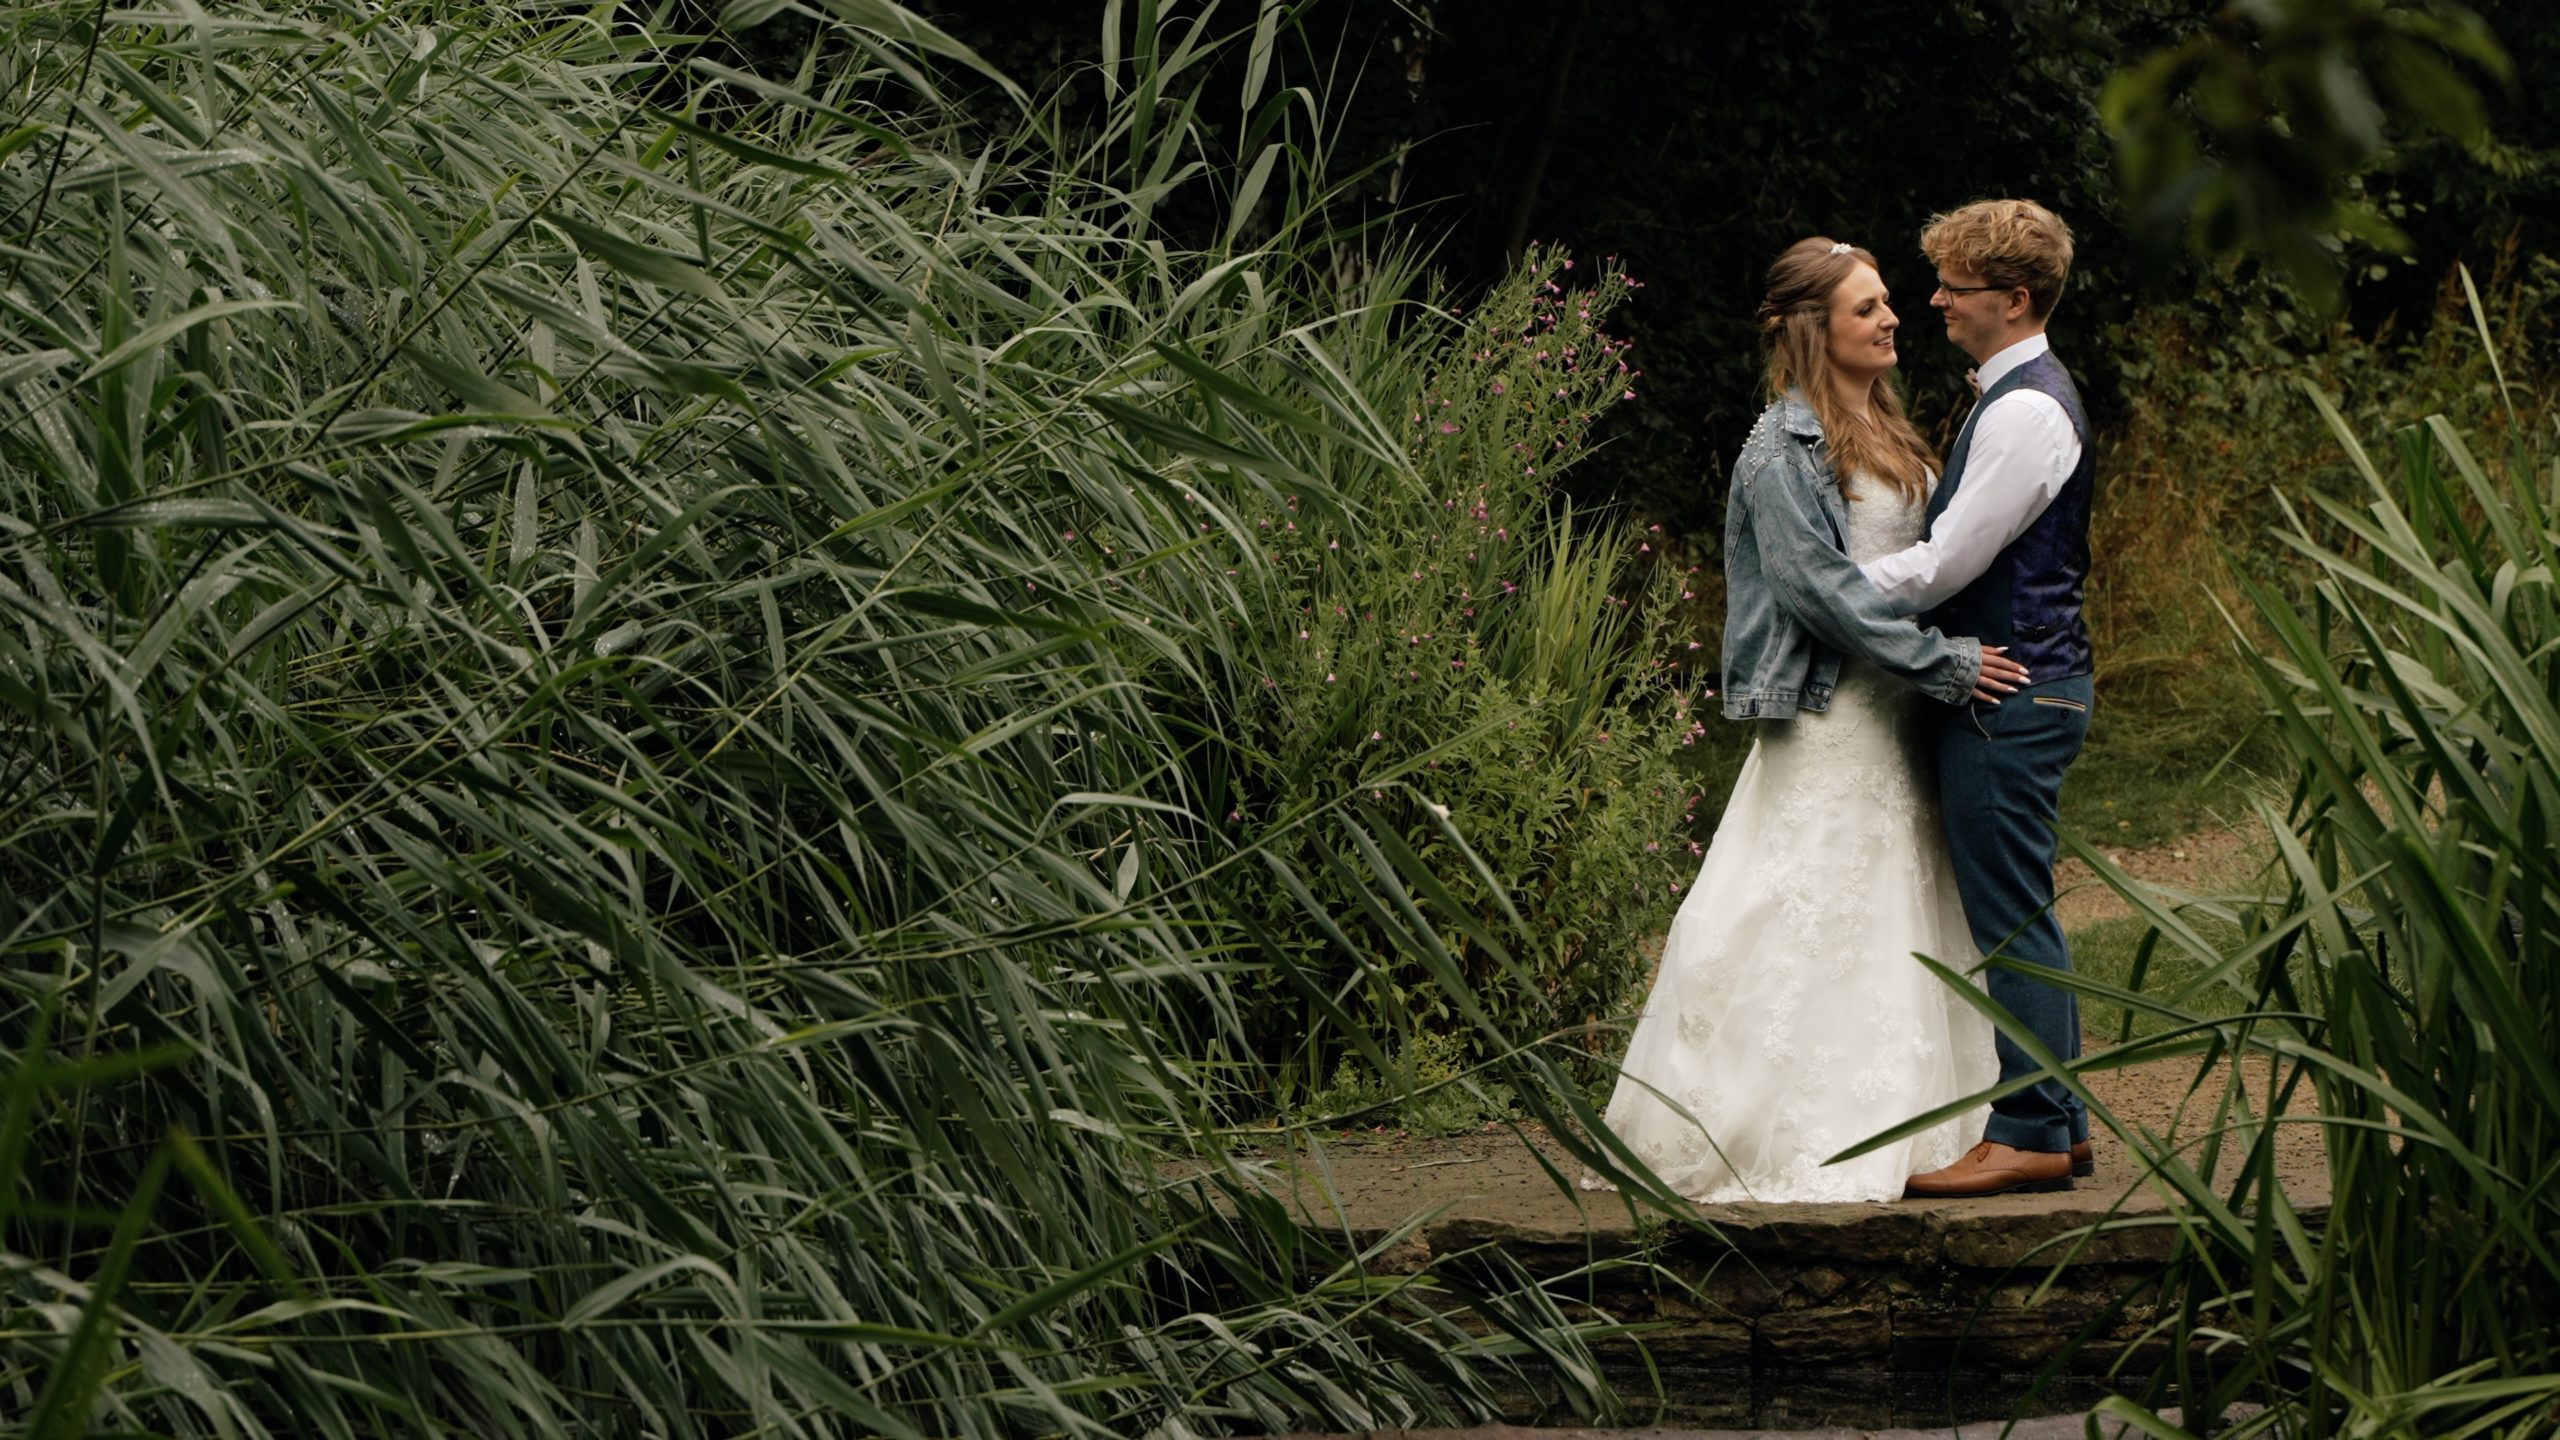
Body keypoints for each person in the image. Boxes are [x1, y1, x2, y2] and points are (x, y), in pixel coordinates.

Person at [1584, 238, 2029, 1203]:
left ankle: (1929, 1127)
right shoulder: (1780, 446)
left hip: (1901, 713)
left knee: (1901, 908)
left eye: (1885, 304)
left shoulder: (1892, 426)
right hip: (1835, 712)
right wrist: (1945, 665)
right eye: (1866, 308)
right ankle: (1780, 1125)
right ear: (1812, 328)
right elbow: (1816, 591)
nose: (1892, 317)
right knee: (1806, 909)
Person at [1871, 200, 2097, 1200]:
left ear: (2011, 299)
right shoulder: (2011, 396)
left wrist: (1826, 595)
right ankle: (2063, 1122)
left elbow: (1943, 564)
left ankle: (2032, 1132)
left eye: (1954, 288)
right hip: (2025, 685)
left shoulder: (2023, 410)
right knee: (2016, 906)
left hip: (2016, 690)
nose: (1934, 301)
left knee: (2010, 916)